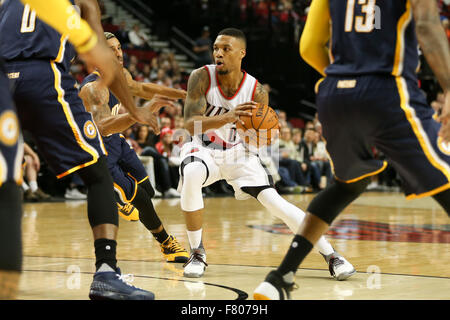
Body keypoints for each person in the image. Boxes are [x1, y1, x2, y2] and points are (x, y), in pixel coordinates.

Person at [254, 0, 450, 300]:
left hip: (336, 94)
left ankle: (279, 278)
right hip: (387, 90)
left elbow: (308, 46)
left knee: (347, 185)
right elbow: (425, 24)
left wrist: (349, 79)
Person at [0, 0, 162, 300]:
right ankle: (106, 272)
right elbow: (104, 60)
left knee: (5, 183)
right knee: (98, 173)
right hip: (43, 77)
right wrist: (134, 110)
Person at [180, 28, 355, 279]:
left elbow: (256, 140)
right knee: (191, 172)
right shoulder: (201, 77)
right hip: (203, 147)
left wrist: (264, 135)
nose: (218, 53)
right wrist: (229, 117)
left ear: (241, 53)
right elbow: (189, 124)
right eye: (216, 48)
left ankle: (332, 256)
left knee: (276, 203)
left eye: (225, 49)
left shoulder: (257, 91)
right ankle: (197, 252)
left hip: (238, 153)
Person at [79, 31, 188, 262]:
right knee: (139, 197)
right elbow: (102, 127)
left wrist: (181, 94)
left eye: (119, 47)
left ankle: (116, 195)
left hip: (117, 141)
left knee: (148, 192)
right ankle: (167, 243)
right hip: (97, 148)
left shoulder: (121, 74)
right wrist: (140, 113)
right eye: (111, 49)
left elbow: (141, 88)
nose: (118, 53)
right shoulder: (93, 88)